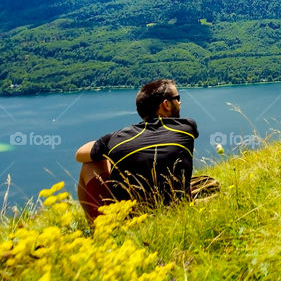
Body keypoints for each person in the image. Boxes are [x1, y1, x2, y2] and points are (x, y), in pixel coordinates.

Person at [75, 79, 199, 223]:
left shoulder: (117, 139)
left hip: (130, 222)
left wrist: (103, 148)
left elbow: (79, 154)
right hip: (178, 214)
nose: (180, 103)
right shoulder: (187, 127)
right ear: (165, 104)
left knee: (91, 164)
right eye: (177, 98)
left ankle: (97, 228)